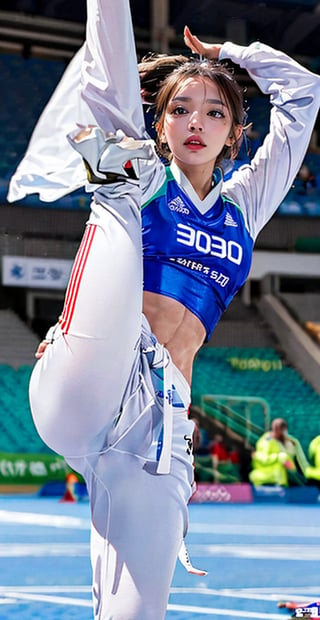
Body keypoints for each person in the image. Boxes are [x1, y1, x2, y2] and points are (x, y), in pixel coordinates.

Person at [7, 0, 320, 617]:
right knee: (118, 181)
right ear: (161, 124)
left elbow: (304, 94)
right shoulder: (146, 173)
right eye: (179, 110)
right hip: (92, 378)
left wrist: (228, 56)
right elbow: (114, 96)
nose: (195, 122)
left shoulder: (243, 209)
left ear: (235, 131)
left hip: (157, 427)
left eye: (214, 112)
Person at [249, 418, 309, 487]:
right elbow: (288, 464)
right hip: (276, 479)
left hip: (263, 478)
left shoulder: (265, 440)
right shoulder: (270, 444)